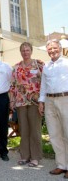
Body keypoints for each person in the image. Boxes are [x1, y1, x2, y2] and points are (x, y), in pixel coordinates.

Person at [10, 42, 44, 167]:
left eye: (27, 50)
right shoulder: (16, 66)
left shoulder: (39, 64)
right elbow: (13, 85)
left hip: (35, 102)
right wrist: (12, 100)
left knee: (35, 130)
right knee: (23, 130)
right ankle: (25, 156)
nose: (25, 52)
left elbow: (45, 83)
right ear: (20, 52)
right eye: (23, 50)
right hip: (21, 102)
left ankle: (35, 157)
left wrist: (43, 100)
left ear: (31, 51)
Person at [38, 39, 68, 178]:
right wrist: (41, 102)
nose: (52, 51)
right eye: (49, 49)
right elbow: (43, 85)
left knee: (67, 133)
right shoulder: (46, 67)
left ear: (60, 48)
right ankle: (61, 165)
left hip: (65, 99)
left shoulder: (67, 62)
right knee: (55, 134)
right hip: (49, 101)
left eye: (55, 48)